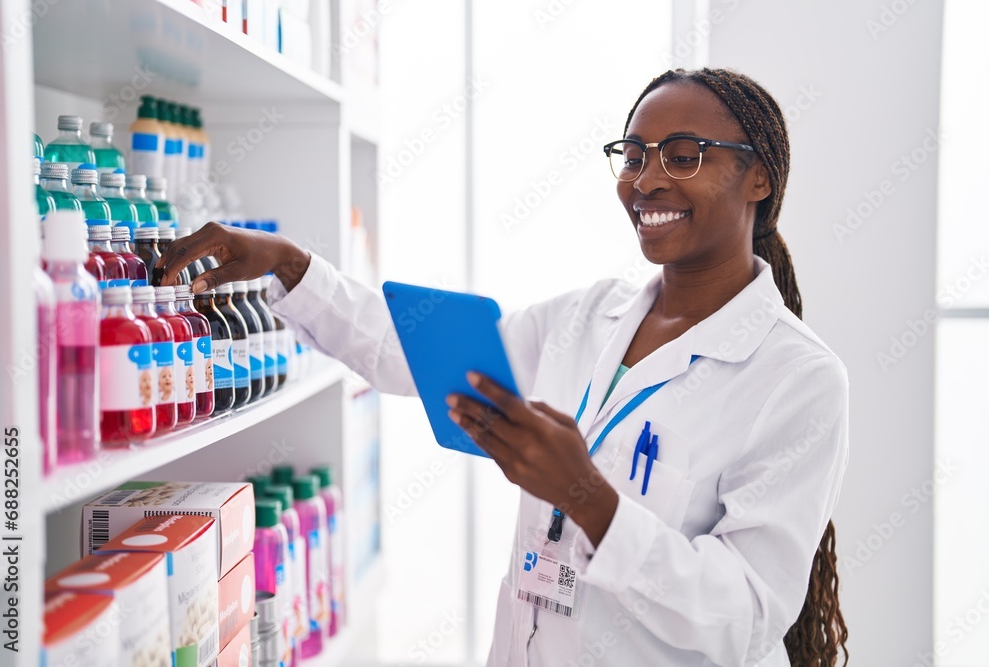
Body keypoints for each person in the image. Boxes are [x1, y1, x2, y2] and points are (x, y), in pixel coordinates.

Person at [157, 68, 850, 666]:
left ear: (759, 175)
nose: (647, 179)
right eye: (633, 154)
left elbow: (748, 615)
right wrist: (291, 266)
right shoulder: (587, 317)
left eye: (683, 154)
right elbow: (413, 357)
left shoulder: (798, 379)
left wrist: (587, 496)